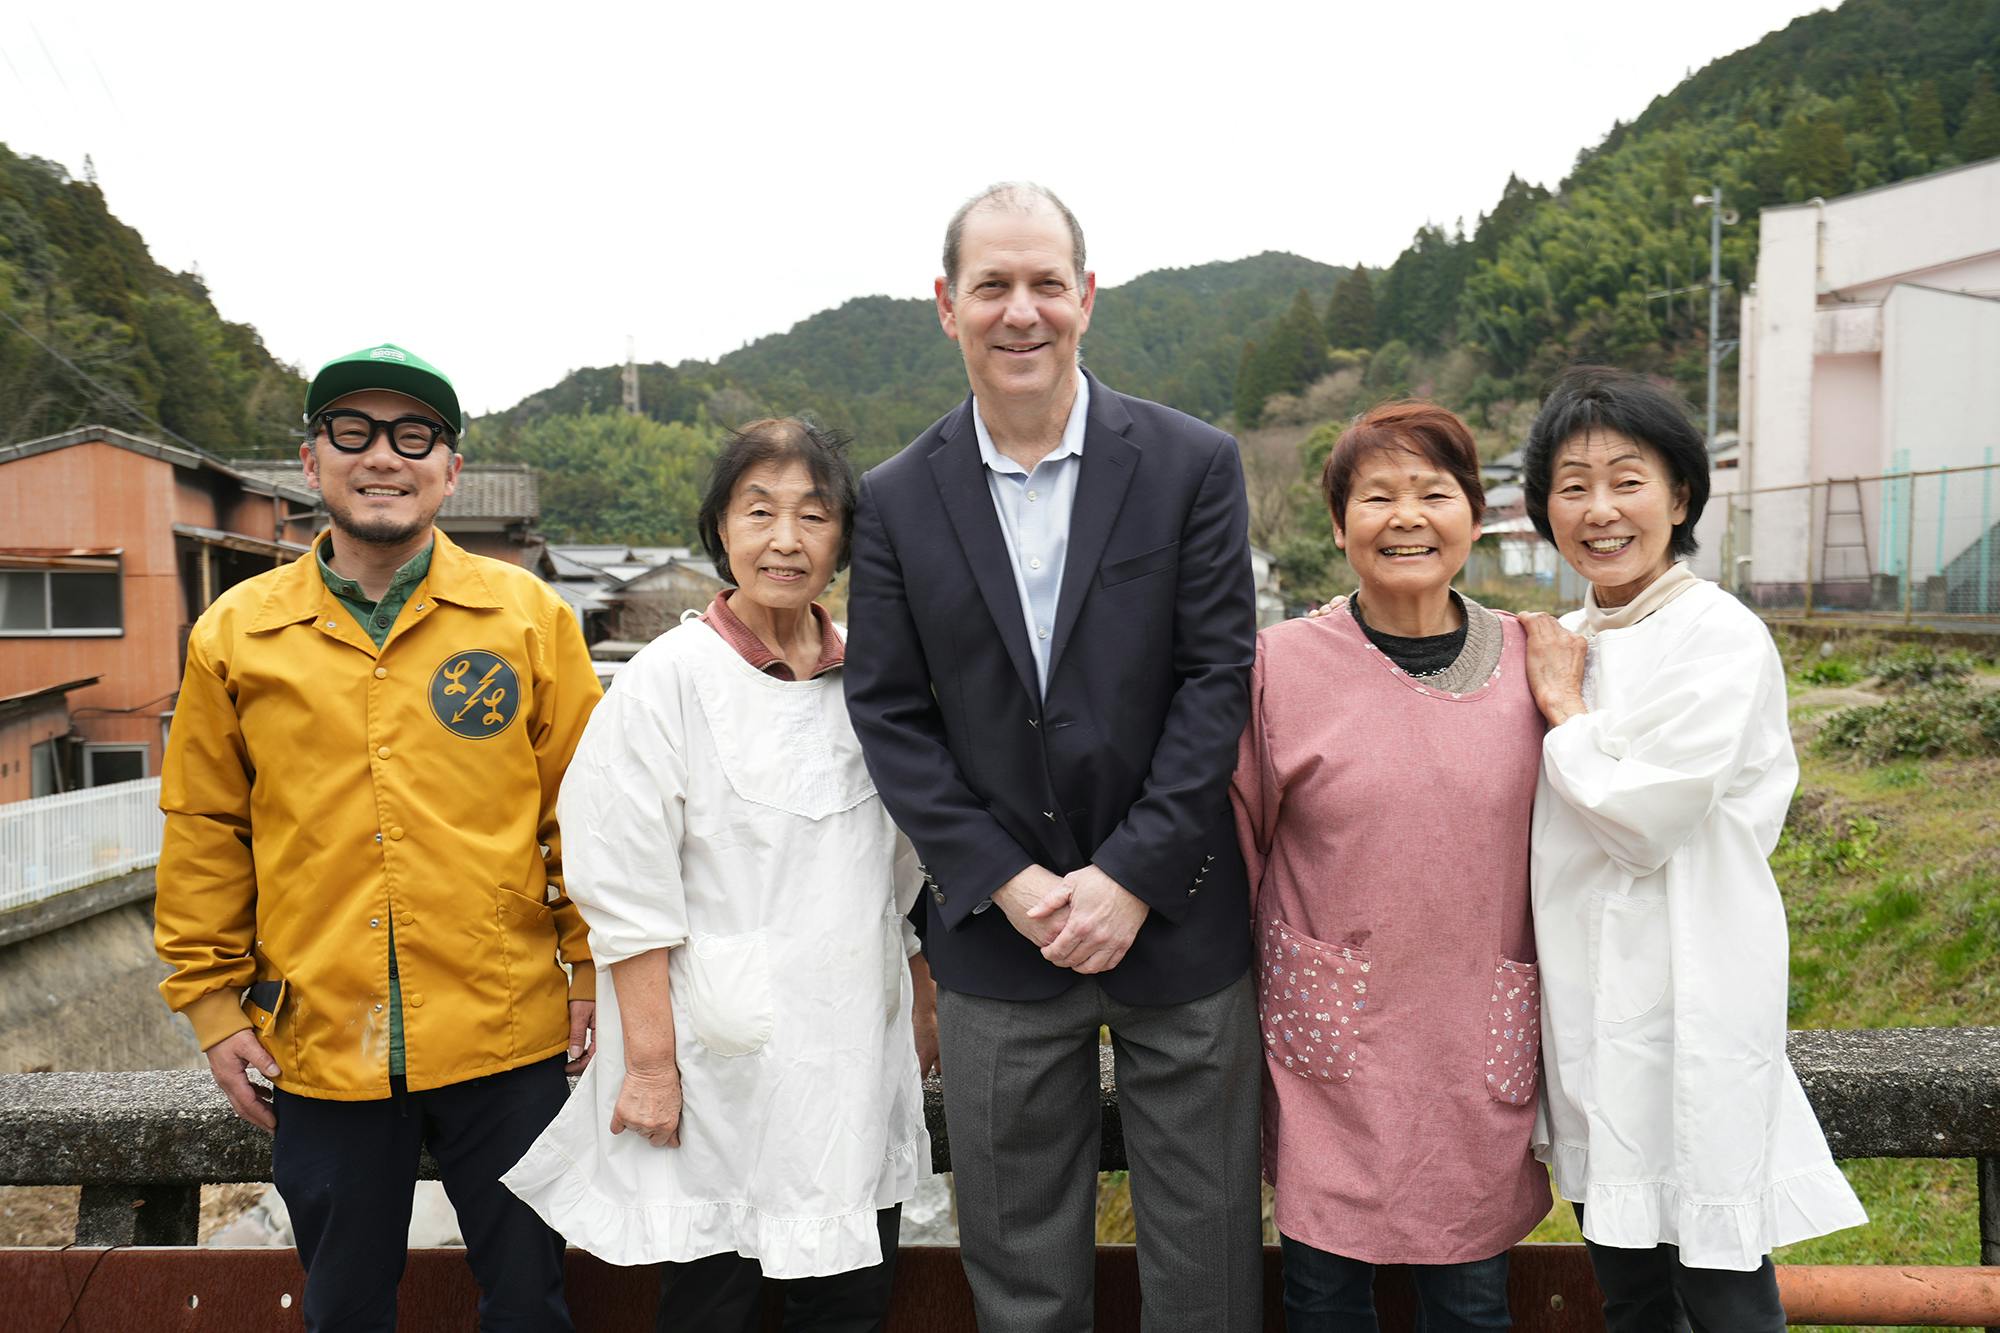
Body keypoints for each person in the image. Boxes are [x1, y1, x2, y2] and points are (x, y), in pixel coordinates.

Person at [844, 182, 1264, 1333]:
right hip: (998, 933)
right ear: (946, 306)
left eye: (1044, 284)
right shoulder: (895, 497)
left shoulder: (1188, 464)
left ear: (1085, 296)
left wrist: (1128, 876)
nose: (1019, 311)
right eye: (991, 286)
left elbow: (1214, 681)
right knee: (1020, 1272)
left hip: (1177, 913)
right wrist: (1009, 881)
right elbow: (890, 714)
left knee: (1208, 1263)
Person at [155, 342, 600, 1331]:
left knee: (530, 1301)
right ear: (311, 461)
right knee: (345, 1306)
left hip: (507, 1029)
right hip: (318, 1033)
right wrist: (213, 1006)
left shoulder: (526, 617)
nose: (383, 456)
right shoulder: (237, 632)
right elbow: (206, 827)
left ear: (451, 468)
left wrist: (590, 969)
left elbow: (584, 812)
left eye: (414, 436)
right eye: (352, 431)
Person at [504, 419, 937, 1333]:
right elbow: (624, 894)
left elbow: (908, 872)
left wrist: (921, 1004)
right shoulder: (667, 680)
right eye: (759, 511)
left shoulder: (877, 681)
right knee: (712, 1302)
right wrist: (649, 1067)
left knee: (850, 1300)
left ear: (843, 539)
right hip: (718, 1068)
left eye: (813, 515)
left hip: (853, 1057)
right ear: (721, 530)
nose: (786, 539)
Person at [1516, 366, 1866, 1332]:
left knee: (1722, 1284)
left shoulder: (1719, 636)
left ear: (1679, 497)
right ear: (1545, 510)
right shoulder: (1561, 638)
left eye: (1627, 480)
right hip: (1583, 1003)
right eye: (1573, 485)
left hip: (1692, 990)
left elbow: (1645, 819)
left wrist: (1566, 708)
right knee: (1627, 1284)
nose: (1600, 509)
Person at [1231, 401, 1550, 1332]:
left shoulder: (1537, 659)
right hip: (1328, 1045)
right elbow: (1239, 846)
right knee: (1322, 1297)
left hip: (1475, 1032)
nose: (1406, 516)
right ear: (1339, 526)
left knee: (1472, 1301)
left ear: (1475, 517)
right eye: (1377, 497)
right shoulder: (1277, 667)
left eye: (1433, 493)